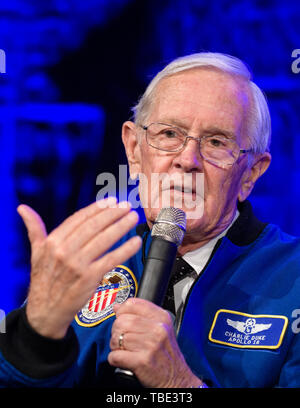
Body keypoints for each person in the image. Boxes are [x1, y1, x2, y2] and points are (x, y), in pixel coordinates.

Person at [1, 52, 300, 388]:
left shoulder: (293, 279)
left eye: (216, 142)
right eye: (169, 134)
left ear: (251, 174)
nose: (187, 160)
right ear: (133, 150)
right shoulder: (86, 263)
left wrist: (178, 384)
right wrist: (33, 338)